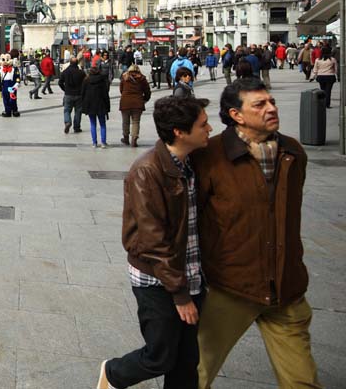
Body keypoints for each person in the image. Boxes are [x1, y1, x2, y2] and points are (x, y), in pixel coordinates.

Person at [195, 79, 322, 388]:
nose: (271, 109)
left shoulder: (292, 151)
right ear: (236, 115)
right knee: (195, 374)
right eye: (260, 104)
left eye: (272, 102)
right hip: (231, 287)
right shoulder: (210, 156)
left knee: (302, 382)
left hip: (285, 288)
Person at [97, 96, 212, 389]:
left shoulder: (193, 162)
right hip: (156, 279)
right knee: (160, 356)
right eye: (203, 124)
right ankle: (113, 373)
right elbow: (153, 240)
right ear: (179, 132)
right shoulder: (147, 170)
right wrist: (180, 294)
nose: (210, 129)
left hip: (192, 273)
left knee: (187, 362)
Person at [119, 64, 150, 147]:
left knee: (125, 121)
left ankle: (125, 138)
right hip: (138, 102)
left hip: (125, 102)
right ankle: (134, 139)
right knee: (136, 122)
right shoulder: (142, 78)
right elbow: (147, 91)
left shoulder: (124, 77)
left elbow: (121, 89)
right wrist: (144, 99)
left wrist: (125, 95)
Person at [81, 65, 111, 148]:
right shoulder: (102, 80)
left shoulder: (86, 80)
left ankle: (94, 142)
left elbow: (82, 93)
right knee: (102, 124)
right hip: (101, 104)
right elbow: (105, 94)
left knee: (93, 124)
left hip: (90, 105)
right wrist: (107, 106)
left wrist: (83, 105)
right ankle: (103, 142)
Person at [59, 57, 85, 133]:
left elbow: (60, 82)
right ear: (77, 63)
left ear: (70, 63)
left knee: (67, 110)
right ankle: (76, 127)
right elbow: (85, 82)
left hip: (68, 94)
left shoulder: (65, 72)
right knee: (78, 111)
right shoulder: (81, 72)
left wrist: (65, 89)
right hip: (79, 94)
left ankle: (67, 122)